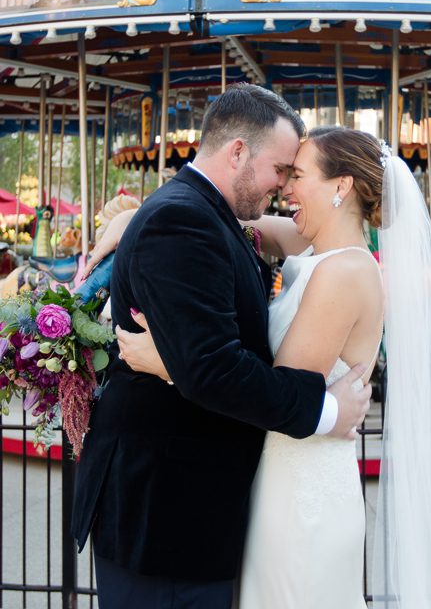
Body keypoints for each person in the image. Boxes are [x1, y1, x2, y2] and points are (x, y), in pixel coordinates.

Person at [117, 127, 431, 608]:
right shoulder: (315, 249)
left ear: (341, 187)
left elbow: (273, 390)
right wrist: (130, 219)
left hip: (301, 496)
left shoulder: (346, 272)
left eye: (298, 175)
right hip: (278, 484)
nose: (285, 189)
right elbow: (229, 224)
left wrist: (172, 364)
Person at [71, 85, 373, 609]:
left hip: (193, 515)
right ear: (237, 152)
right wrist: (328, 409)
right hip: (166, 520)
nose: (282, 187)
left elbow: (204, 360)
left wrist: (175, 367)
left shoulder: (205, 213)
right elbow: (212, 370)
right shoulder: (182, 219)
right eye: (282, 169)